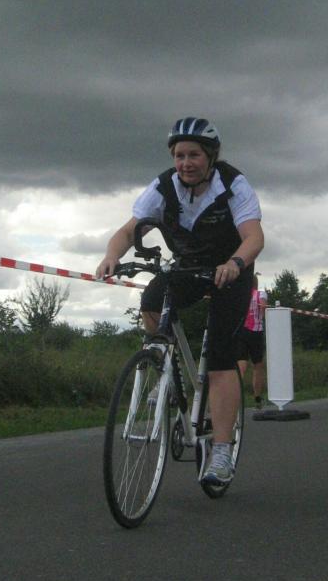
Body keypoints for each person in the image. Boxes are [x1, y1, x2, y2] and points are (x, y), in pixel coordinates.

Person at [96, 117, 264, 487]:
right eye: (179, 156)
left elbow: (254, 237)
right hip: (188, 266)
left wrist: (235, 264)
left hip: (231, 270)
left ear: (211, 156)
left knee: (220, 358)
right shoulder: (163, 187)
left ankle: (222, 451)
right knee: (151, 300)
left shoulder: (232, 185)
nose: (185, 163)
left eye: (194, 155)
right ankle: (167, 371)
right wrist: (111, 256)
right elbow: (128, 230)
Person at [237, 275, 267, 410]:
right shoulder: (261, 294)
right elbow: (263, 308)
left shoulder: (240, 296)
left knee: (241, 366)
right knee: (257, 366)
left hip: (242, 332)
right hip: (256, 332)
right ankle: (257, 399)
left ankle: (236, 398)